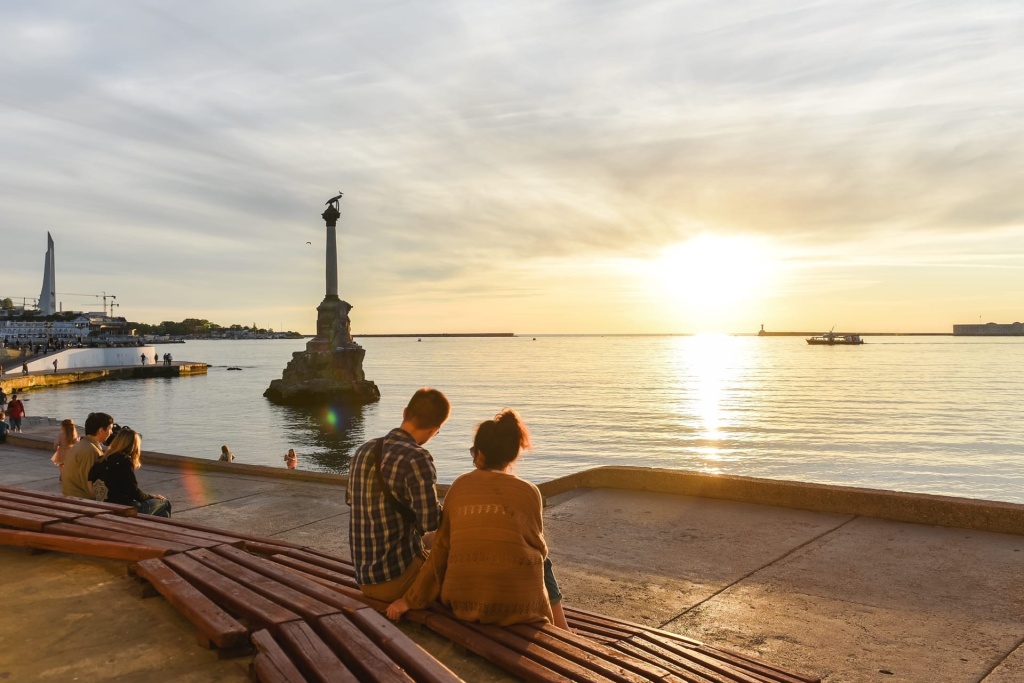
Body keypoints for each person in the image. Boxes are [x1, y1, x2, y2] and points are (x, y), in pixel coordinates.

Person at [386, 409, 570, 629]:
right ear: (512, 454)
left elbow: (440, 553)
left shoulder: (459, 486)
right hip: (522, 608)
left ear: (480, 455)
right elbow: (538, 550)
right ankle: (563, 627)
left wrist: (409, 600)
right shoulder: (529, 492)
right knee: (541, 558)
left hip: (464, 605)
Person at [347, 388, 450, 602]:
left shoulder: (364, 449)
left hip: (365, 579)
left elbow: (351, 500)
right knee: (449, 538)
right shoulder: (417, 458)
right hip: (397, 582)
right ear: (434, 429)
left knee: (430, 540)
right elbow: (431, 521)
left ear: (405, 413)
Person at [88, 428, 171, 517]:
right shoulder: (124, 461)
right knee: (164, 503)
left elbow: (90, 483)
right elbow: (134, 493)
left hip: (105, 506)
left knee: (163, 513)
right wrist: (152, 496)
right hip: (123, 509)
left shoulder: (101, 460)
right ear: (134, 445)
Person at [62, 412, 114, 499]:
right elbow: (89, 483)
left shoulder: (81, 445)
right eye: (110, 429)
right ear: (101, 431)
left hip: (70, 496)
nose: (111, 432)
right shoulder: (90, 450)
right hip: (80, 500)